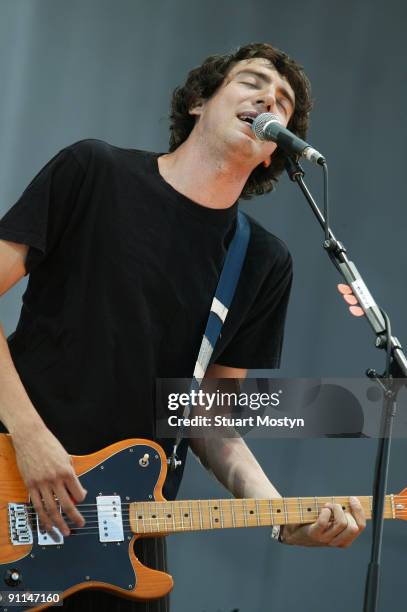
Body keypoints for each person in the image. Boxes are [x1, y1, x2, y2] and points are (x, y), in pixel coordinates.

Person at [0, 43, 366, 612]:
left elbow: (208, 419)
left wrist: (278, 517)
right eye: (253, 81)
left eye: (284, 102)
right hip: (14, 481)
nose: (270, 98)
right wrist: (29, 436)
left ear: (274, 153)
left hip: (125, 543)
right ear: (199, 101)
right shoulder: (94, 171)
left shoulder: (261, 261)